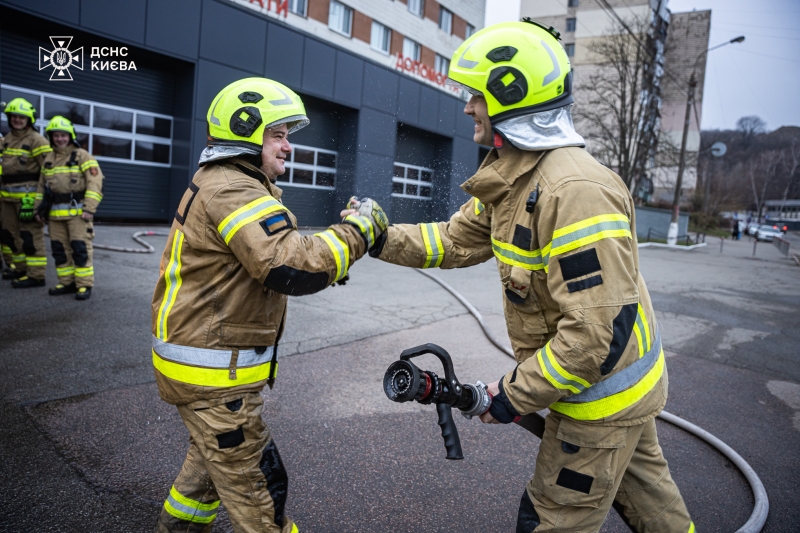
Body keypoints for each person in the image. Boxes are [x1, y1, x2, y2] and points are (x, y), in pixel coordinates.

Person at [353, 21, 694, 532]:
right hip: (610, 390)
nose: (467, 106)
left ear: (510, 95)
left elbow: (593, 336)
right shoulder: (516, 177)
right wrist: (377, 237)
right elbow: (453, 240)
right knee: (657, 513)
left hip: (597, 398)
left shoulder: (573, 192)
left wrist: (510, 396)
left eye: (475, 95)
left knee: (551, 517)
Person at [151, 77, 387, 533]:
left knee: (203, 479)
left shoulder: (226, 183)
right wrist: (359, 232)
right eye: (278, 135)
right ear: (245, 132)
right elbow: (288, 267)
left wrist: (326, 261)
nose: (288, 147)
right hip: (216, 379)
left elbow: (273, 260)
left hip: (203, 367)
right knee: (263, 495)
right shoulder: (234, 190)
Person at [34, 116, 104, 300]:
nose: (60, 139)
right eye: (56, 135)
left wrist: (89, 207)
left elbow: (95, 183)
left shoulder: (82, 156)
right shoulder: (48, 160)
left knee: (80, 249)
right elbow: (41, 188)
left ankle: (83, 285)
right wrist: (37, 210)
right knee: (59, 250)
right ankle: (66, 282)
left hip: (79, 214)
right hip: (55, 216)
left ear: (70, 136)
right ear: (51, 137)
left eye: (63, 135)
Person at [1, 98, 52, 287]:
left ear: (29, 119)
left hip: (27, 200)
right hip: (7, 199)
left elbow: (48, 171)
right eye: (13, 116)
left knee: (30, 237)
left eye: (21, 117)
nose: (17, 120)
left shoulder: (37, 140)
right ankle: (20, 269)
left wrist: (42, 204)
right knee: (10, 235)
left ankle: (36, 275)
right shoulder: (7, 140)